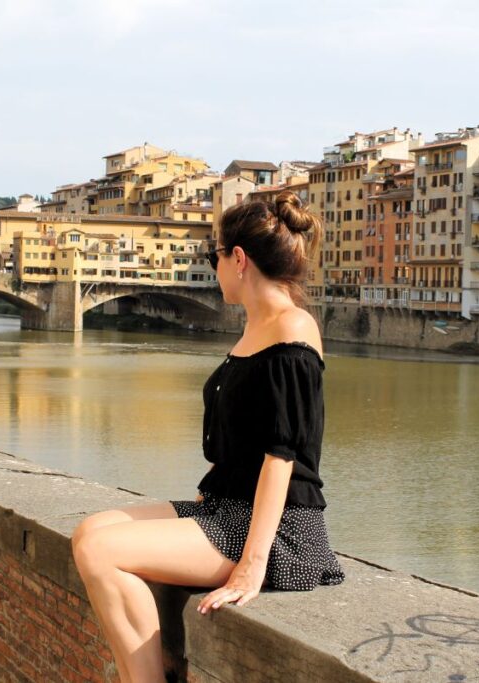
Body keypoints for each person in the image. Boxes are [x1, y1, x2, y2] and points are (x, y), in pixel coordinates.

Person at [71, 190, 344, 682]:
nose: (212, 266)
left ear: (237, 259)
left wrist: (252, 565)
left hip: (280, 531)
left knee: (100, 551)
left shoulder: (293, 328)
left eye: (212, 255)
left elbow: (282, 455)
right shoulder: (255, 329)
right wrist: (202, 500)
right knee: (92, 530)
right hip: (226, 508)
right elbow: (239, 441)